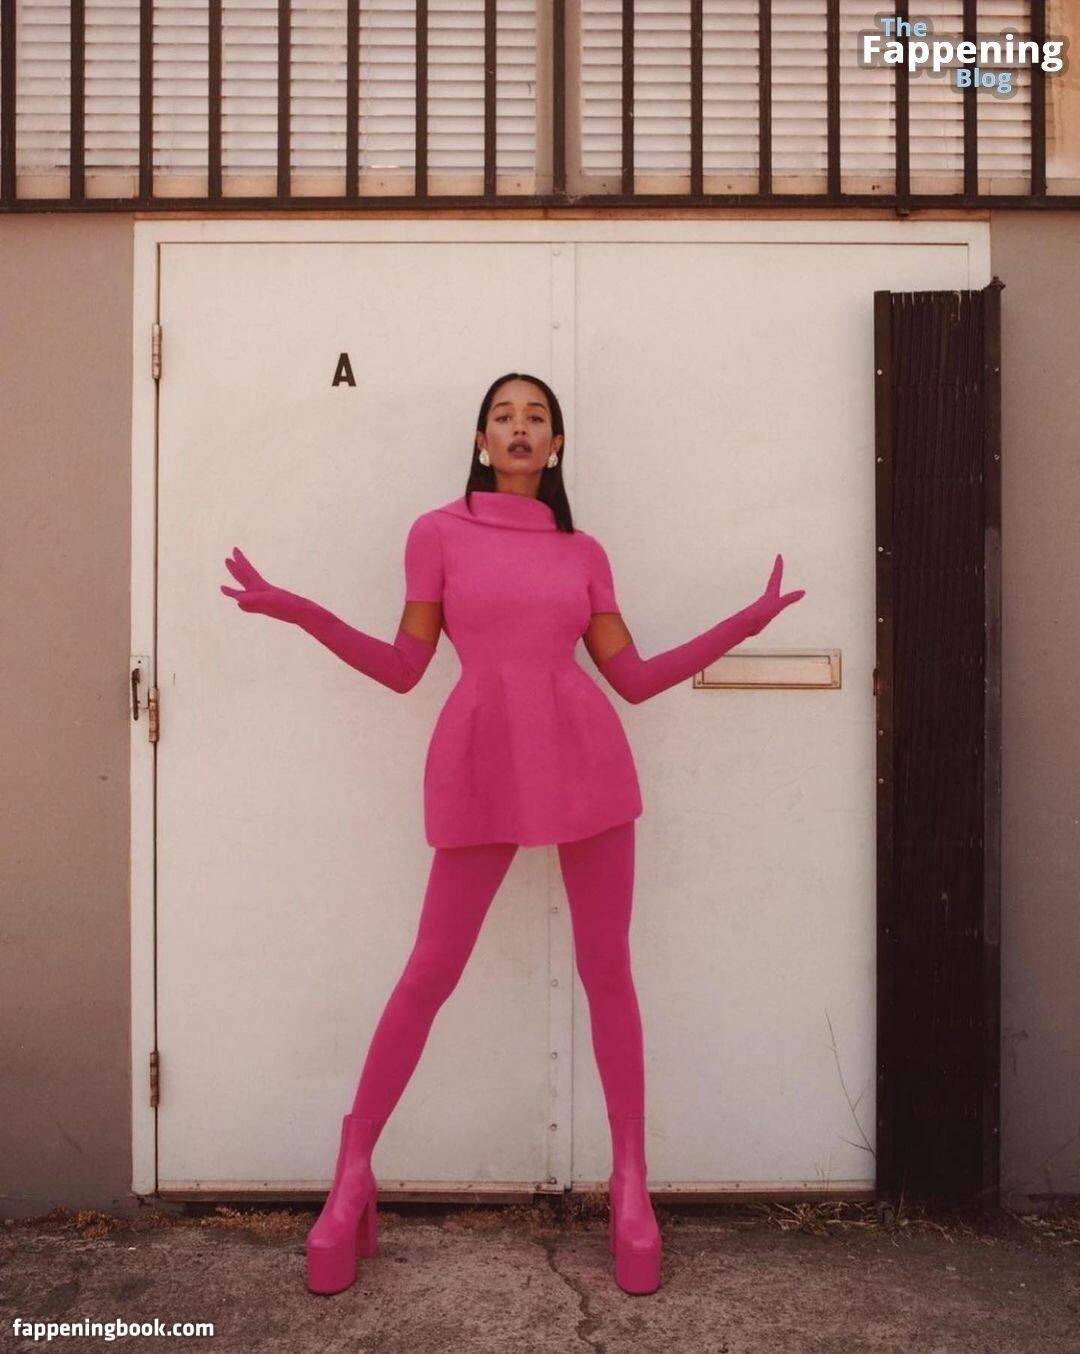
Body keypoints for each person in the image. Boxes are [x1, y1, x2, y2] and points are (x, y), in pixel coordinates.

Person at [219, 372, 805, 1298]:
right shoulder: (436, 533)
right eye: (505, 416)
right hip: (483, 756)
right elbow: (405, 665)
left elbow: (633, 678)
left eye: (537, 417)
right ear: (481, 440)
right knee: (429, 969)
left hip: (585, 757)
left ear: (556, 444)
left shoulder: (582, 551)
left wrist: (746, 621)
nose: (521, 428)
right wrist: (301, 610)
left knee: (607, 970)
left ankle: (630, 1185)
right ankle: (353, 1170)